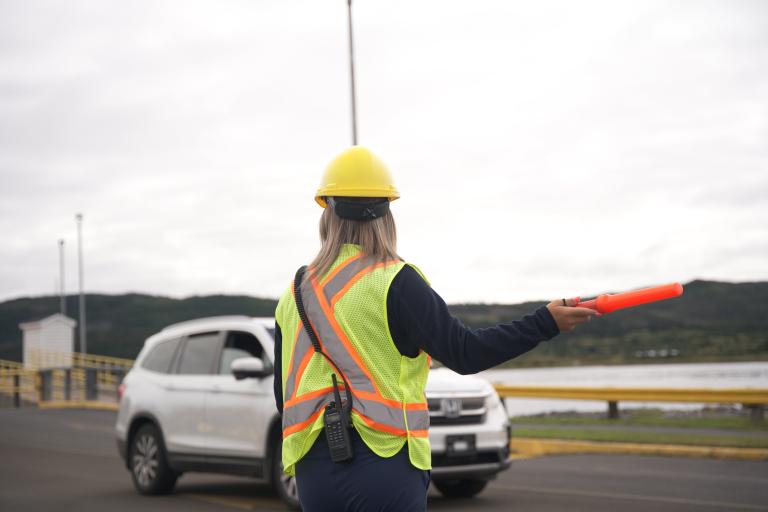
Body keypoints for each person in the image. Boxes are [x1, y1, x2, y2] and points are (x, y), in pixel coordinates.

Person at [273, 146, 597, 512]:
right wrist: (545, 322)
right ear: (386, 216)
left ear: (327, 214)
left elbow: (282, 394)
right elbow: (465, 352)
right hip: (384, 462)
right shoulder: (395, 281)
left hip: (314, 474)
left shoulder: (295, 292)